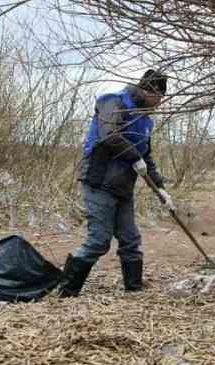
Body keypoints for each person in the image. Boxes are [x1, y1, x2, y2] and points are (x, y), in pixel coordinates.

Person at [58, 69, 173, 297]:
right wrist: (134, 156)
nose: (159, 104)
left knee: (130, 239)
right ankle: (67, 292)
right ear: (147, 90)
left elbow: (146, 156)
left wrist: (161, 188)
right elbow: (109, 135)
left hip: (123, 187)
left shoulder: (145, 121)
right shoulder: (112, 102)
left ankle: (134, 290)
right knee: (99, 241)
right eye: (158, 98)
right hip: (99, 181)